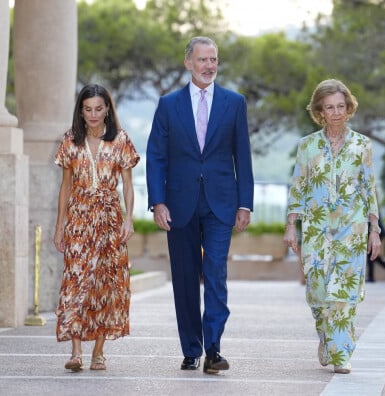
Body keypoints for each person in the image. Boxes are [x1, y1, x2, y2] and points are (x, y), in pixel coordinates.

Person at [146, 36, 254, 374]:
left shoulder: (234, 103)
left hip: (222, 203)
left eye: (214, 60)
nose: (210, 65)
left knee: (216, 274)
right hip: (179, 204)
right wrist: (158, 201)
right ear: (188, 63)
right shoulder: (168, 104)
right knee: (185, 277)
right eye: (203, 59)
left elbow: (243, 156)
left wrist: (245, 204)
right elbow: (156, 156)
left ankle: (214, 349)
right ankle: (191, 349)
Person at [283, 79, 381, 375]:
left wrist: (374, 229)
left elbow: (369, 187)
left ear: (348, 108)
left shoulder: (362, 145)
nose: (336, 112)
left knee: (343, 295)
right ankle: (327, 338)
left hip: (351, 231)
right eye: (329, 107)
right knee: (318, 291)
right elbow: (298, 186)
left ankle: (341, 354)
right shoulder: (307, 145)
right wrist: (291, 225)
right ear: (319, 111)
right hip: (315, 230)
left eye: (341, 106)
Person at [53, 84, 140, 372]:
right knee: (76, 279)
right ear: (81, 110)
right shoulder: (70, 141)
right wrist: (59, 226)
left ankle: (98, 352)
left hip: (109, 218)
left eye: (98, 108)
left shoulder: (121, 140)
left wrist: (129, 219)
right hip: (78, 218)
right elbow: (65, 187)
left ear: (107, 110)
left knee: (105, 282)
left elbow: (128, 185)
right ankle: (76, 351)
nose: (93, 114)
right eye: (88, 109)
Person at [366, 216, 385, 282]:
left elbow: (374, 219)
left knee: (370, 254)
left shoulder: (373, 207)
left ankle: (371, 277)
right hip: (375, 231)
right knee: (372, 255)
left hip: (376, 232)